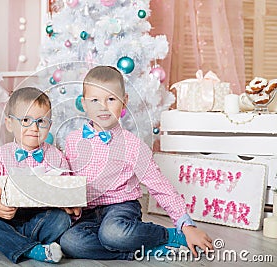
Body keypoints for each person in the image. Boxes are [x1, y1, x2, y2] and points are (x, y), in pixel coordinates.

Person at [60, 66, 213, 260]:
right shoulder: (73, 140)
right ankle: (140, 250)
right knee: (70, 242)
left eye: (111, 99)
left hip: (120, 208)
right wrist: (66, 199)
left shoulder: (132, 145)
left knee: (113, 234)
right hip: (87, 212)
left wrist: (185, 224)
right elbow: (66, 175)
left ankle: (169, 235)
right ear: (83, 104)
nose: (103, 106)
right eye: (95, 100)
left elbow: (160, 186)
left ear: (124, 101)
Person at [0, 87, 73, 264]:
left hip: (39, 220)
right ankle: (33, 249)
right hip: (5, 219)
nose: (34, 128)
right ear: (9, 123)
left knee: (62, 220)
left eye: (41, 121)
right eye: (26, 120)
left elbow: (67, 189)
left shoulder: (57, 157)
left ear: (49, 125)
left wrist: (70, 205)